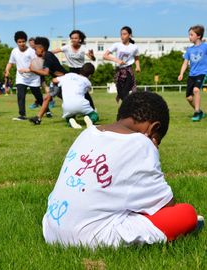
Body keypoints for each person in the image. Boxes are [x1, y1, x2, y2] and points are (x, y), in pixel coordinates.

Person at [42, 91, 204, 248]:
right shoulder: (141, 143)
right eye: (157, 141)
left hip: (52, 229)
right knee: (186, 214)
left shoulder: (87, 133)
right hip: (88, 237)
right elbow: (166, 205)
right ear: (153, 128)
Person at [4, 31, 47, 121]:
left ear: (26, 41)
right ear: (16, 42)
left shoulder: (31, 52)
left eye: (23, 41)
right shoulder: (14, 51)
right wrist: (7, 70)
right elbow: (10, 62)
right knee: (20, 95)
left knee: (38, 96)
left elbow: (37, 65)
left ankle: (47, 110)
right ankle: (22, 115)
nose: (22, 43)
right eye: (19, 42)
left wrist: (27, 70)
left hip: (33, 77)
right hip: (21, 78)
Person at [52, 30, 96, 109]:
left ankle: (92, 109)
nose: (73, 40)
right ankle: (73, 107)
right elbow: (53, 52)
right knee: (69, 90)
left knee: (84, 92)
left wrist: (92, 56)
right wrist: (43, 54)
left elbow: (92, 59)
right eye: (72, 38)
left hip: (82, 71)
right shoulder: (66, 47)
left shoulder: (83, 48)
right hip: (71, 71)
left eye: (76, 38)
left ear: (80, 39)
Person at [29, 37, 66, 125]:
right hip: (58, 81)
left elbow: (45, 72)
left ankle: (85, 112)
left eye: (35, 49)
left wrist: (32, 70)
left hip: (64, 80)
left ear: (41, 49)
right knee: (47, 98)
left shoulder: (48, 56)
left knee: (67, 99)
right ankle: (38, 118)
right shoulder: (47, 56)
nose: (35, 51)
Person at [52, 63, 99, 129]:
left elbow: (54, 80)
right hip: (81, 103)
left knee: (69, 116)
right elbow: (85, 92)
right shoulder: (87, 82)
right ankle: (90, 120)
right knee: (95, 115)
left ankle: (71, 120)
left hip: (67, 105)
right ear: (90, 75)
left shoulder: (69, 75)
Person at [103, 26, 141, 103]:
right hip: (119, 72)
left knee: (125, 94)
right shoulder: (116, 45)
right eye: (121, 34)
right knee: (121, 93)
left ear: (129, 35)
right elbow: (104, 56)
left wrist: (138, 67)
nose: (122, 36)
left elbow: (136, 58)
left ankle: (129, 109)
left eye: (124, 34)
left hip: (128, 71)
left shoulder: (134, 47)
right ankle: (126, 104)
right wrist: (116, 60)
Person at [178, 25, 207, 121]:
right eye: (189, 35)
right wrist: (181, 73)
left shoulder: (205, 47)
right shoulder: (189, 50)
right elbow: (185, 63)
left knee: (196, 90)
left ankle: (196, 113)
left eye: (191, 35)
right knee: (189, 98)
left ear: (198, 36)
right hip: (191, 75)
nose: (189, 37)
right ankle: (199, 111)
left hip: (202, 73)